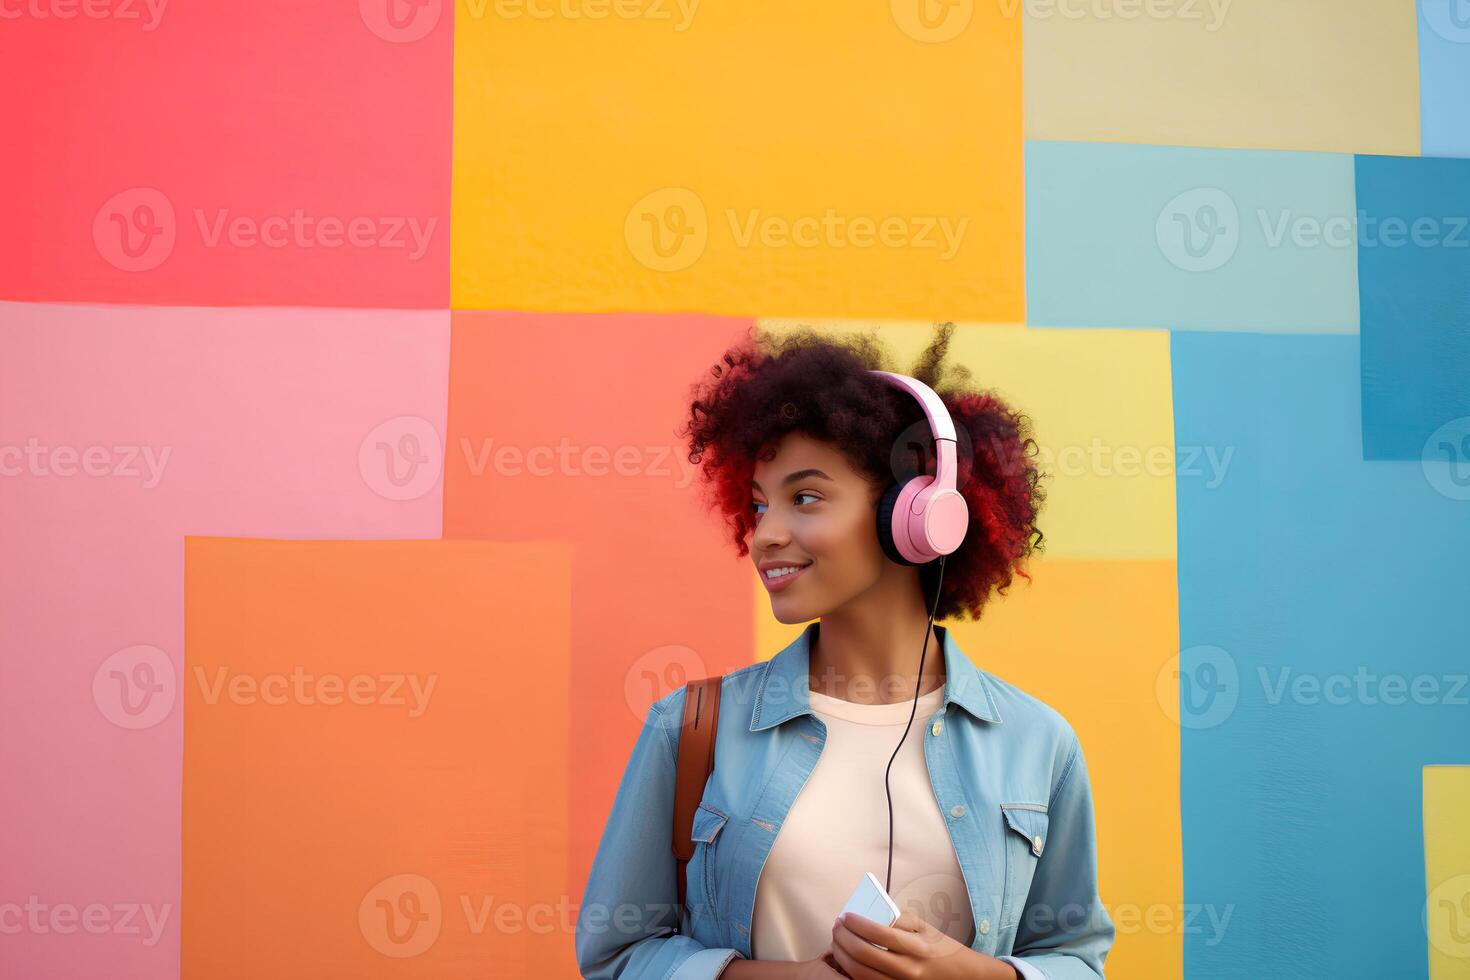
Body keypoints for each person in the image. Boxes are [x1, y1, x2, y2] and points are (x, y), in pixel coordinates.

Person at [575, 323, 1114, 979]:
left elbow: (1076, 960)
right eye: (757, 504)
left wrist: (968, 974)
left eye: (805, 497)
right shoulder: (689, 729)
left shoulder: (1038, 742)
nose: (765, 534)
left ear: (914, 514)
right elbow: (615, 955)